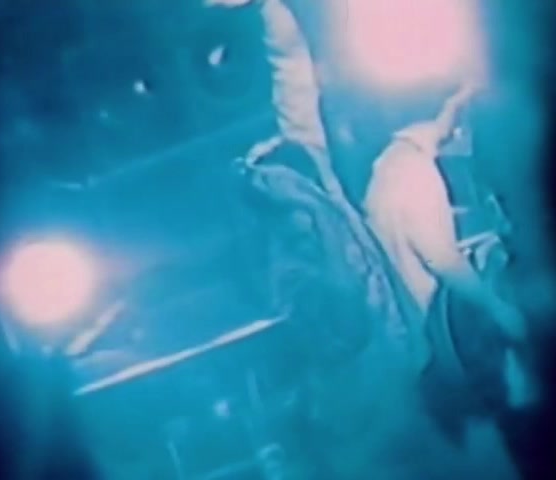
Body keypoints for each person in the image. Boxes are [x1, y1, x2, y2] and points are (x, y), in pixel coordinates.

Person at [208, 0, 533, 394]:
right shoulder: (393, 174)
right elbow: (439, 257)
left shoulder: (343, 182)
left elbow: (295, 91)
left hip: (404, 363)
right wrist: (501, 311)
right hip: (421, 362)